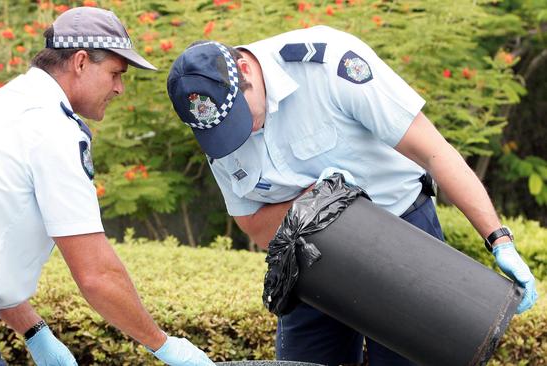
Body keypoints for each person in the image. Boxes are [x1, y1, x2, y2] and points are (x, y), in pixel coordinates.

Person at [166, 26, 538, 365]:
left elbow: (433, 152)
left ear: (245, 71)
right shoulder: (216, 125)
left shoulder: (327, 64)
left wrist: (498, 240)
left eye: (240, 119)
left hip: (402, 233)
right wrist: (315, 203)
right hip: (306, 261)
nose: (239, 135)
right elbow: (253, 225)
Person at [0, 7, 215, 366]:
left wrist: (35, 331)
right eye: (115, 73)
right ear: (80, 62)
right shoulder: (53, 128)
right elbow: (96, 274)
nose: (119, 88)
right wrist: (165, 345)